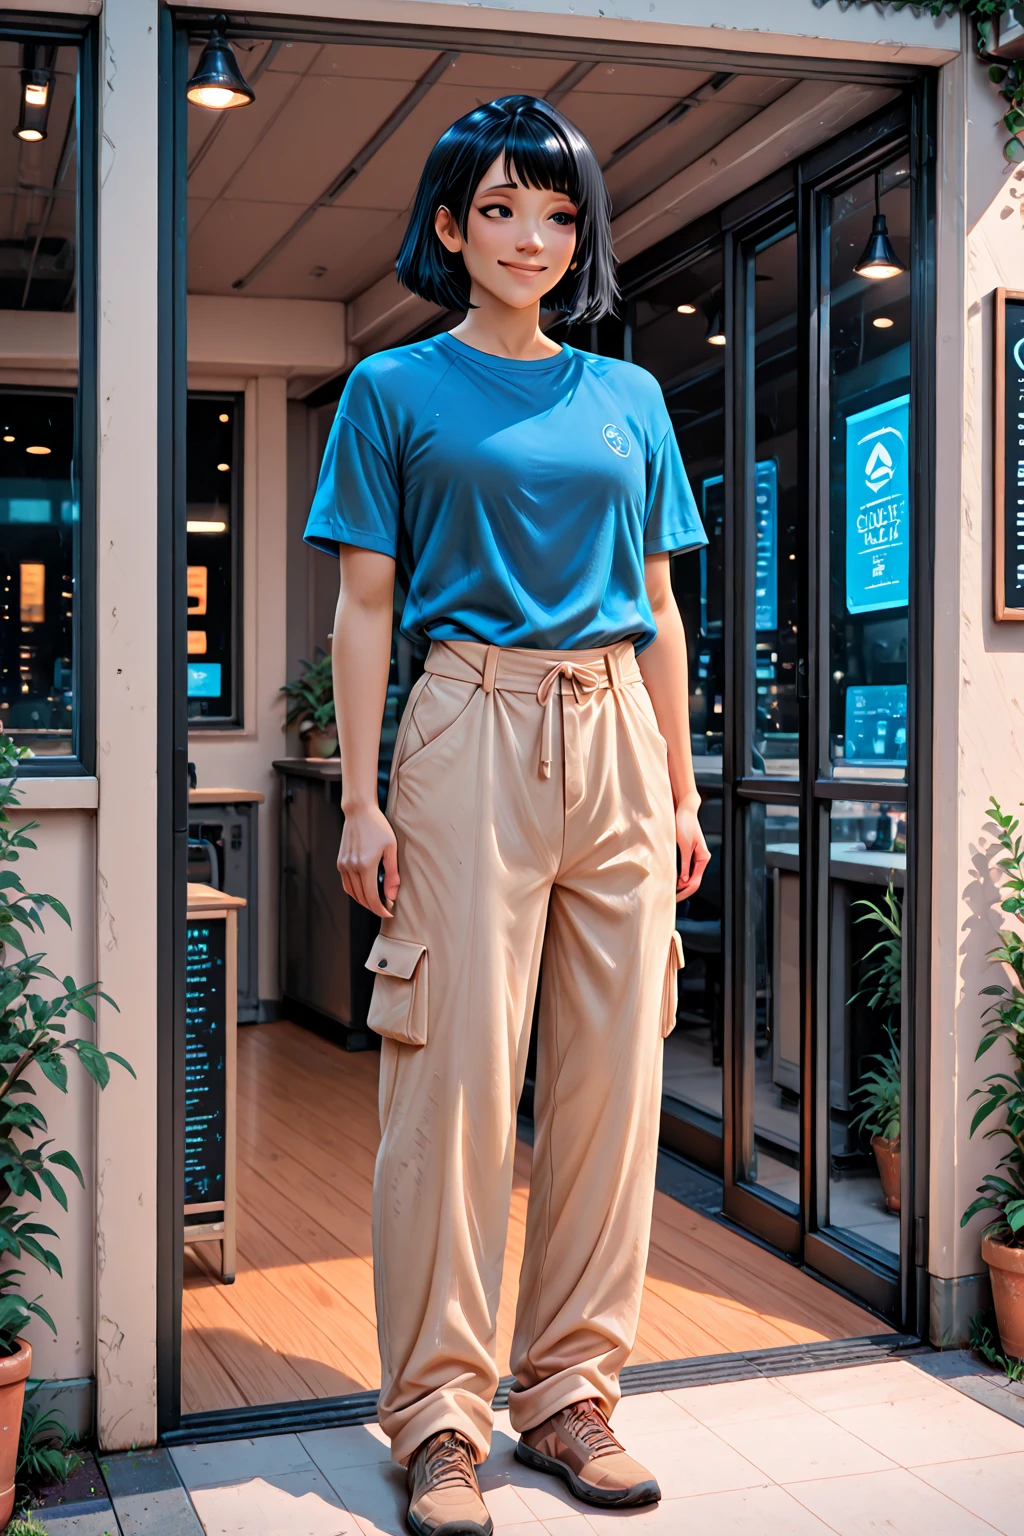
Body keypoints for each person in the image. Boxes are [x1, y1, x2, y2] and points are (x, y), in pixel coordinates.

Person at [304, 94, 709, 1536]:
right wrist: (357, 800)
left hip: (613, 734)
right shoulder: (394, 392)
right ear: (448, 225)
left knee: (612, 1083)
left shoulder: (631, 401)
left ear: (581, 235)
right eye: (498, 210)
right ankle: (437, 1419)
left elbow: (661, 608)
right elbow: (361, 610)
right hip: (464, 720)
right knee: (456, 1085)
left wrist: (681, 785)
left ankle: (570, 1397)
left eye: (555, 213)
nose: (529, 238)